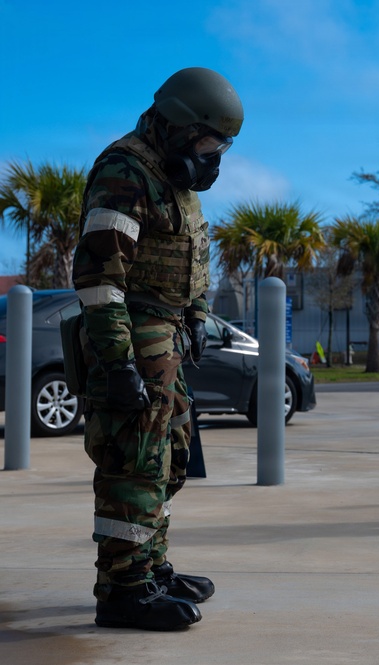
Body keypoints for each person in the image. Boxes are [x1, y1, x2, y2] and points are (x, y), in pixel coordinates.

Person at [72, 67, 243, 629]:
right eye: (209, 144)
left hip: (166, 336)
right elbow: (100, 277)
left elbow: (188, 260)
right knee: (133, 463)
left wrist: (196, 316)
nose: (213, 158)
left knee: (168, 458)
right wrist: (118, 361)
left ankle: (150, 567)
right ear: (178, 126)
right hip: (132, 335)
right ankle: (122, 590)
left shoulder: (175, 181)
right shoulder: (124, 172)